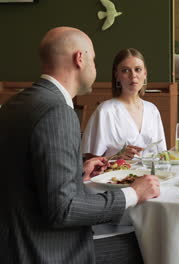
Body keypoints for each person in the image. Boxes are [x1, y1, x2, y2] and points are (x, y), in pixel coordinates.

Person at [0, 27, 160, 263]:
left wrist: (80, 170)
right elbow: (64, 210)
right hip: (48, 250)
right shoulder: (57, 112)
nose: (94, 67)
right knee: (151, 241)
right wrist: (133, 193)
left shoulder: (17, 103)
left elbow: (30, 177)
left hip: (13, 245)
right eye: (94, 60)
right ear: (80, 59)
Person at [81, 48, 167, 160]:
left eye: (138, 69)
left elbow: (162, 155)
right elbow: (89, 160)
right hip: (115, 176)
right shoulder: (105, 111)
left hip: (150, 175)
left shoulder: (152, 110)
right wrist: (116, 157)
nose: (133, 75)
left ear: (145, 74)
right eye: (125, 70)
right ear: (116, 75)